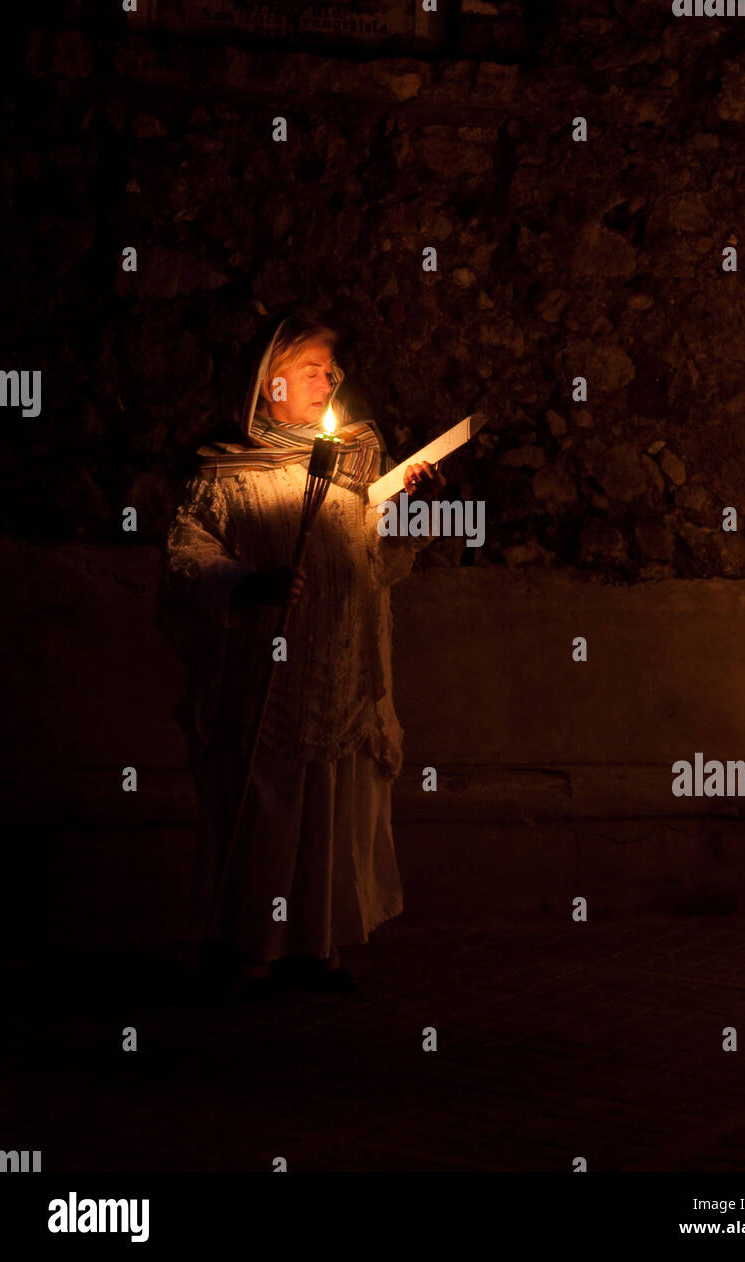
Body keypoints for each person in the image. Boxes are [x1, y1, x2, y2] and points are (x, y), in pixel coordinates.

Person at [164, 318, 444, 997]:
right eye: (314, 367)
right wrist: (247, 584)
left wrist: (416, 511)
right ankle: (252, 949)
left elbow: (379, 564)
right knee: (267, 812)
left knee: (328, 816)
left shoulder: (354, 468)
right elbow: (186, 559)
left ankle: (317, 946)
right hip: (268, 685)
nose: (329, 379)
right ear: (269, 383)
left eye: (330, 369)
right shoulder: (229, 476)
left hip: (341, 680)